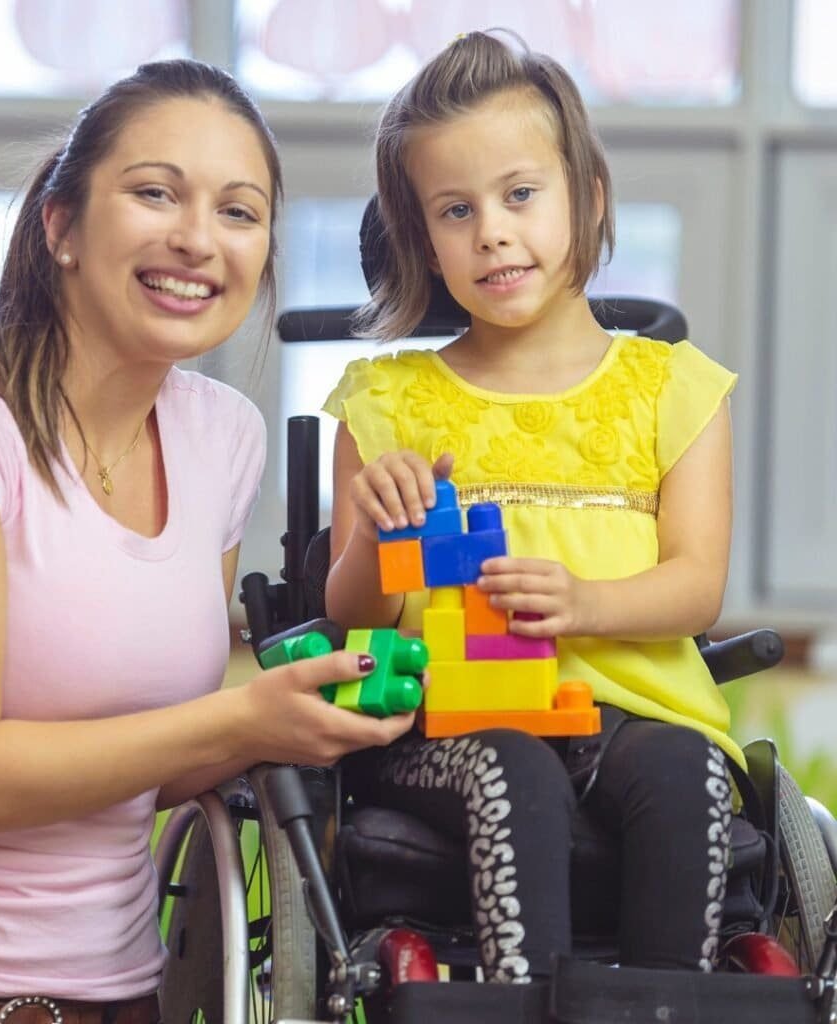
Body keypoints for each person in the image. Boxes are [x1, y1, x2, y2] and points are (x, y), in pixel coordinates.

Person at [0, 59, 415, 1023]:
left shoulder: (222, 436)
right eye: (154, 193)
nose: (196, 240)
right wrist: (241, 721)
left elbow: (148, 764)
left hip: (123, 994)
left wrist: (307, 717)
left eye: (239, 211)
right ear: (60, 226)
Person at [324, 30, 739, 991]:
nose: (493, 233)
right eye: (455, 211)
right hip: (447, 726)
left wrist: (586, 605)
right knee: (513, 769)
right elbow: (351, 620)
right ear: (422, 238)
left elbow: (696, 587)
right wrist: (383, 537)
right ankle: (521, 1008)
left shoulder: (673, 388)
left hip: (634, 714)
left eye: (520, 195)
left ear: (585, 197)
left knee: (689, 774)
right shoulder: (385, 403)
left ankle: (665, 1010)